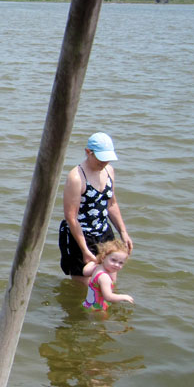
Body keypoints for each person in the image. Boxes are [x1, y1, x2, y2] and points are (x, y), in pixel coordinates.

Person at [59, 132, 133, 284]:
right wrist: (85, 249)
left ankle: (106, 306)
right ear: (88, 152)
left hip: (104, 232)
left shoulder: (109, 170)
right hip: (81, 236)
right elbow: (71, 218)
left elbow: (111, 203)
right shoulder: (76, 177)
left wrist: (123, 232)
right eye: (101, 159)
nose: (104, 163)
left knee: (109, 282)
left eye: (108, 159)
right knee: (85, 288)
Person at [82, 239, 134, 311]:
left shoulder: (97, 267)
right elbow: (108, 297)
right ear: (103, 258)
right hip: (98, 310)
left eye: (121, 263)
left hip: (88, 304)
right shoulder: (104, 277)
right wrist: (123, 297)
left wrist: (94, 262)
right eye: (113, 260)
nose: (116, 265)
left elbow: (85, 272)